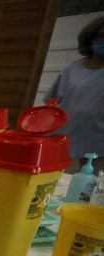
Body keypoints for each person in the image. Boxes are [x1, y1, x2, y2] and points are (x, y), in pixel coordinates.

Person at [44, 16, 104, 174]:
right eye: (102, 36)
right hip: (64, 144)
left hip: (99, 150)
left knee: (88, 192)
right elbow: (50, 105)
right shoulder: (72, 69)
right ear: (91, 38)